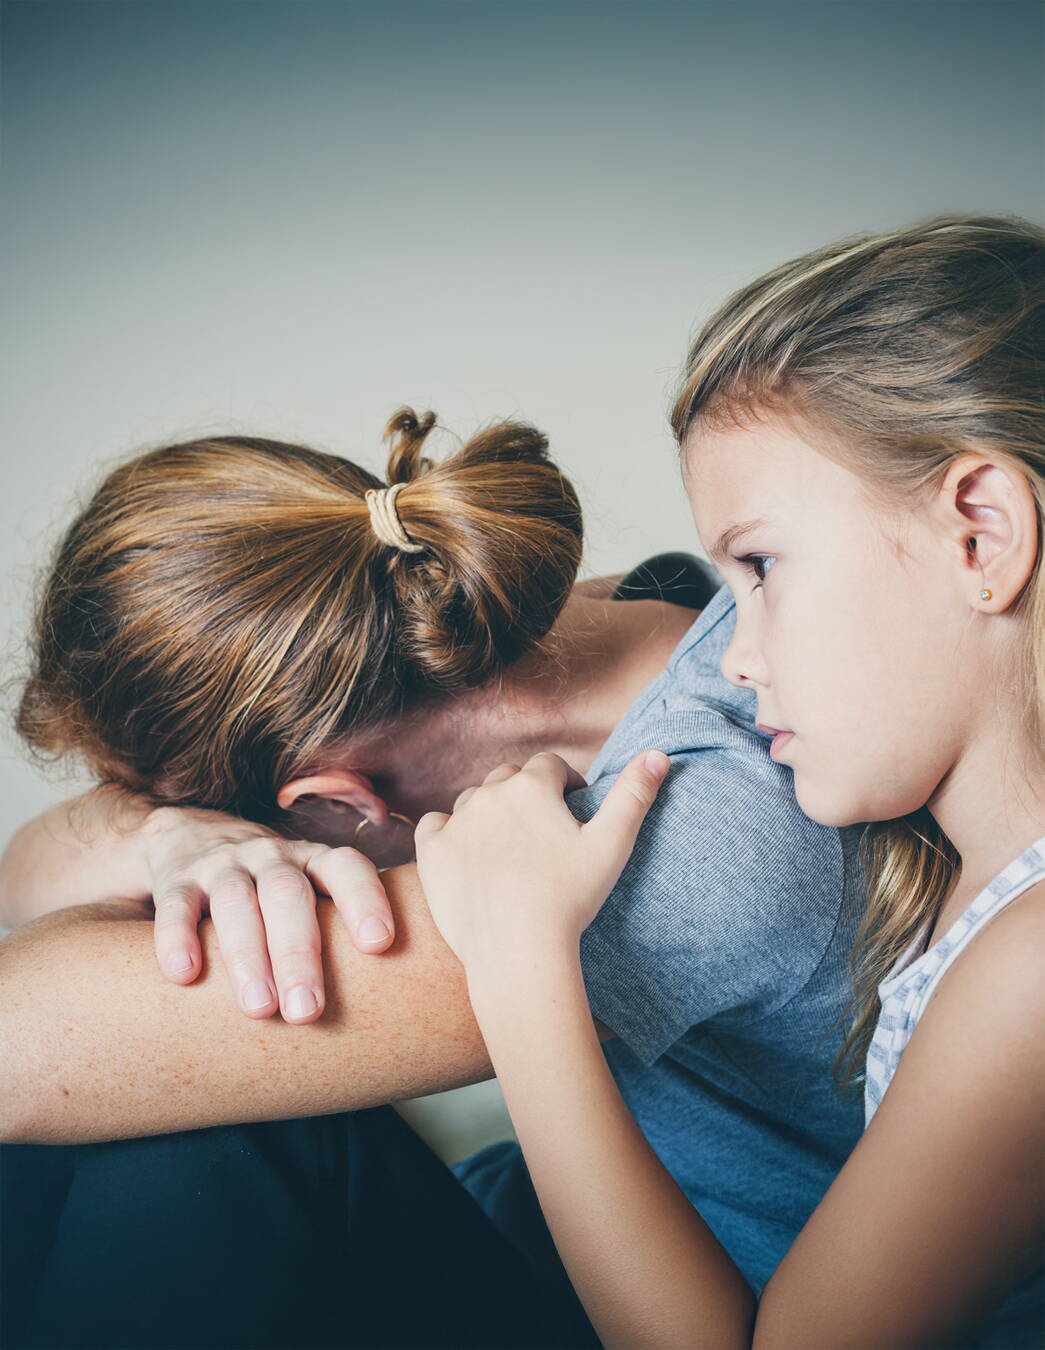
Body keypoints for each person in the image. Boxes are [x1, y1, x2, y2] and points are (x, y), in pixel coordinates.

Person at [0, 411, 866, 1348]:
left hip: (637, 1301)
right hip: (526, 1224)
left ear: (335, 805)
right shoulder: (616, 608)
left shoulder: (696, 824)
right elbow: (21, 875)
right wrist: (173, 837)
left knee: (188, 1140)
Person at [413, 213, 1045, 1350]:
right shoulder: (960, 881)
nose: (738, 657)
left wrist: (521, 965)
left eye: (760, 568)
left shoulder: (1033, 966)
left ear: (982, 536)